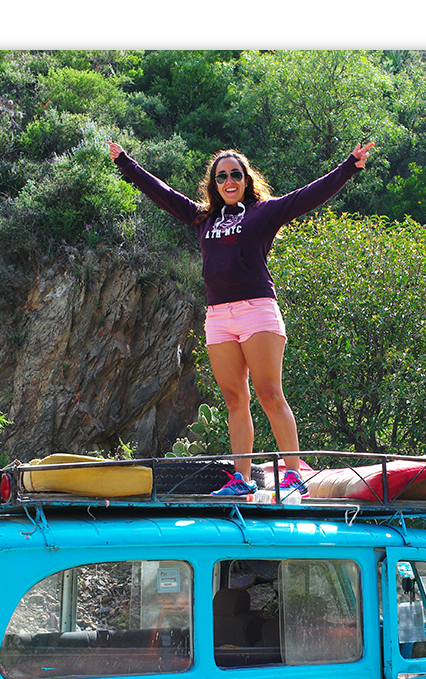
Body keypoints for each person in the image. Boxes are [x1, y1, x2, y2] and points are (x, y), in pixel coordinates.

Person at [109, 138, 375, 496]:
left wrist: (348, 167)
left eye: (236, 174)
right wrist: (125, 163)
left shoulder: (264, 212)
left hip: (257, 311)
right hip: (218, 317)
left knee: (269, 393)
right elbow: (163, 194)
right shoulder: (202, 217)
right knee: (235, 399)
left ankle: (294, 475)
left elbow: (308, 196)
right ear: (214, 184)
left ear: (247, 180)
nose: (229, 181)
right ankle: (241, 478)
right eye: (221, 176)